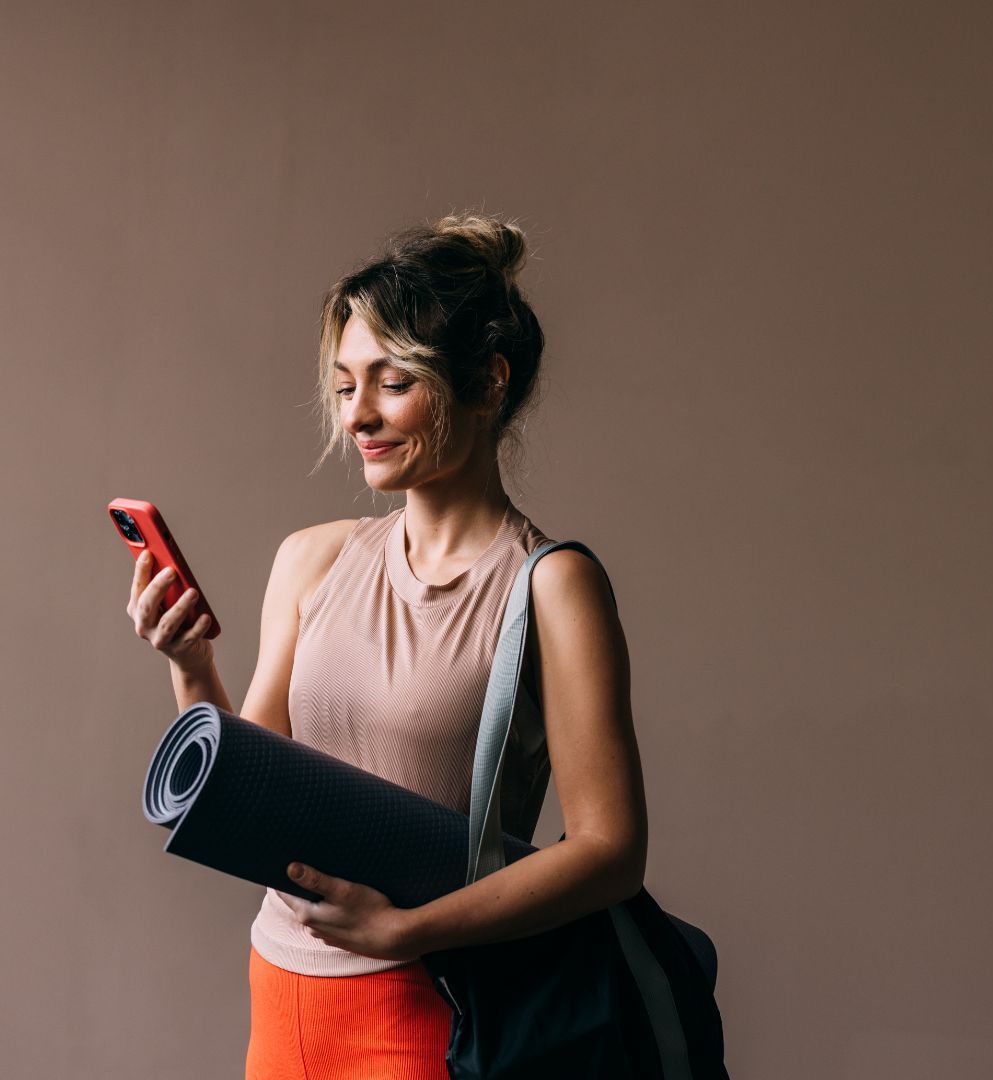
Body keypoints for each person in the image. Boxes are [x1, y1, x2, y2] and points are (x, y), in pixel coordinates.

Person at [126, 211, 649, 1079]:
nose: (359, 415)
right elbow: (255, 786)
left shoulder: (551, 587)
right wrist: (191, 666)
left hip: (426, 1000)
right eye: (344, 386)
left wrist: (408, 930)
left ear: (488, 383)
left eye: (392, 381)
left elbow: (611, 852)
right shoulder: (313, 557)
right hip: (282, 990)